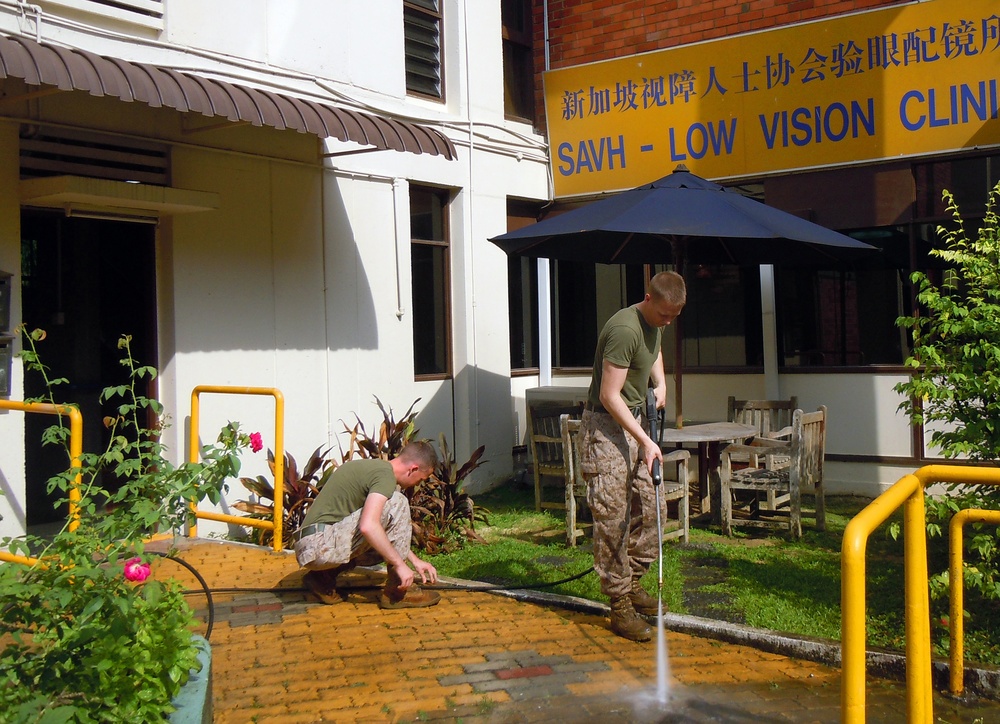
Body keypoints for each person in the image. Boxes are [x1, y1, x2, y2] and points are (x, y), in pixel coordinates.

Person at [579, 270, 686, 642]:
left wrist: (661, 382)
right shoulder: (624, 329)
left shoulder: (657, 322)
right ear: (648, 298)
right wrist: (643, 439)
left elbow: (653, 349)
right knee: (613, 516)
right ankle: (619, 604)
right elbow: (610, 396)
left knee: (653, 505)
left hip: (634, 422)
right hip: (605, 429)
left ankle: (634, 580)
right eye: (664, 315)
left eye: (674, 316)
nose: (668, 322)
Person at [294, 440, 441, 609]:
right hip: (319, 546)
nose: (418, 484)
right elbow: (368, 526)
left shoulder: (375, 469)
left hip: (312, 545)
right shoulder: (385, 477)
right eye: (420, 479)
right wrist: (399, 565)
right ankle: (398, 592)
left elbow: (384, 533)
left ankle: (322, 578)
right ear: (413, 469)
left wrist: (415, 561)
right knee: (397, 502)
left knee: (382, 541)